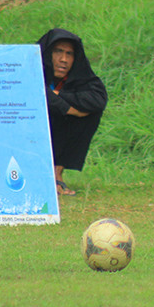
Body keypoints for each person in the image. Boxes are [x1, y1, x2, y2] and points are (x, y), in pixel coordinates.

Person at [38, 29, 108, 196]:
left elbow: (98, 98)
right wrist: (69, 109)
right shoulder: (30, 70)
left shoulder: (78, 76)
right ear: (46, 53)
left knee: (90, 112)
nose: (64, 60)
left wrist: (59, 96)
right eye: (58, 52)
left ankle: (56, 172)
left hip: (60, 131)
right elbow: (36, 92)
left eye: (69, 54)